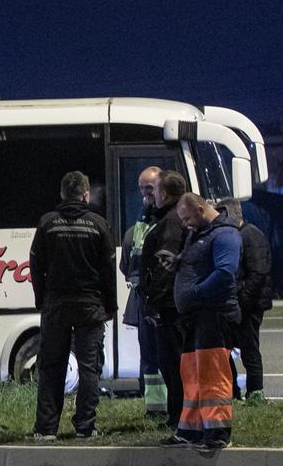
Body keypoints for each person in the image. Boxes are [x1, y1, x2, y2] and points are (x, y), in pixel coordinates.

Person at [27, 171, 118, 441]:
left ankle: (46, 429)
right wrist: (109, 305)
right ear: (86, 195)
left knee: (51, 366)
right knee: (90, 367)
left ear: (62, 194)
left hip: (56, 304)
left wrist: (41, 298)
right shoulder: (98, 224)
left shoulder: (47, 224)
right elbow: (108, 271)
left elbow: (35, 265)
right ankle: (85, 427)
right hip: (90, 305)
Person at [172, 194, 242, 450]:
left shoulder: (225, 235)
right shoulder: (200, 233)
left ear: (201, 210)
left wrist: (194, 293)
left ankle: (218, 433)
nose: (185, 224)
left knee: (212, 375)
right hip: (196, 317)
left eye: (188, 218)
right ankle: (191, 430)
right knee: (192, 374)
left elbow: (225, 273)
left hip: (214, 314)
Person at [137, 170, 189, 430]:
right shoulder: (169, 218)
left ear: (164, 193)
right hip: (169, 304)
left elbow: (163, 267)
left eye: (154, 190)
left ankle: (177, 417)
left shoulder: (170, 222)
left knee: (171, 363)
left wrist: (153, 302)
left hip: (168, 307)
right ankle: (176, 415)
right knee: (171, 363)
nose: (151, 196)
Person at [223, 199, 273, 403]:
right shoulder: (241, 235)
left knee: (249, 349)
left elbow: (258, 273)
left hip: (249, 305)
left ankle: (255, 392)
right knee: (229, 348)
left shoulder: (250, 235)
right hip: (243, 302)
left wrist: (242, 302)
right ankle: (233, 390)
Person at [122, 166, 163, 407]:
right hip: (144, 300)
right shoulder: (140, 222)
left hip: (160, 300)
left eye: (150, 188)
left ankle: (165, 406)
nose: (145, 194)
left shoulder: (168, 218)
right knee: (148, 356)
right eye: (142, 189)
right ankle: (154, 405)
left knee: (161, 355)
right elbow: (128, 264)